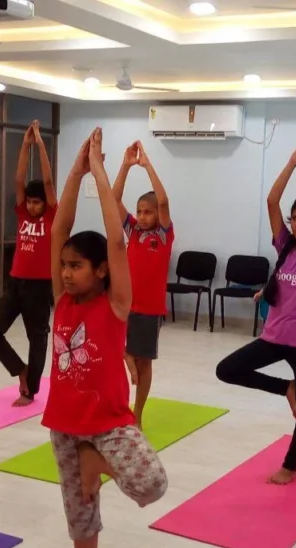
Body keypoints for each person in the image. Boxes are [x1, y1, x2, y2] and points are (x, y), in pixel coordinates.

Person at [44, 127, 168, 548]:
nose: (66, 273)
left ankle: (95, 460)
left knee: (152, 483)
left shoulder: (116, 304)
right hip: (65, 423)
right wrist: (75, 173)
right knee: (79, 514)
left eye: (76, 266)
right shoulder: (62, 300)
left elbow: (117, 241)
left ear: (100, 270)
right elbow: (58, 230)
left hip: (109, 421)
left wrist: (99, 171)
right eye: (64, 266)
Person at [215, 134, 296, 485]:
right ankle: (286, 388)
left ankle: (290, 466)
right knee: (227, 369)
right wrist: (292, 162)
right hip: (275, 337)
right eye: (294, 218)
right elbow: (271, 200)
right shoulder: (284, 245)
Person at [0, 120, 57, 407]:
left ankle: (30, 390)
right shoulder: (23, 214)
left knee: (37, 337)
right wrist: (25, 145)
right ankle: (20, 369)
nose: (32, 206)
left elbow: (48, 182)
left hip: (39, 286)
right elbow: (18, 180)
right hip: (15, 282)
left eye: (38, 202)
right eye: (30, 202)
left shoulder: (51, 216)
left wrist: (40, 144)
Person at [112, 140, 174, 427]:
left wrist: (148, 166)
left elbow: (163, 201)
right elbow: (113, 198)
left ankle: (137, 414)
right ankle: (120, 398)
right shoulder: (134, 231)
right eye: (140, 211)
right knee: (118, 351)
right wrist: (125, 166)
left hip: (149, 309)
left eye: (148, 212)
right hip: (125, 305)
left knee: (144, 362)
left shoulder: (163, 235)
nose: (143, 216)